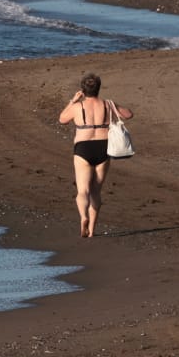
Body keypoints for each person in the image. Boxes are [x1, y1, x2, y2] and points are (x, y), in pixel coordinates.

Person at [58, 74, 133, 238]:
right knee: (96, 191)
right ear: (98, 88)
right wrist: (114, 106)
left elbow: (62, 119)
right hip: (103, 148)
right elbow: (128, 114)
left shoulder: (77, 106)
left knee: (82, 191)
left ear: (83, 90)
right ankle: (91, 230)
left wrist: (73, 100)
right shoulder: (107, 104)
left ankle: (83, 216)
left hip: (83, 148)